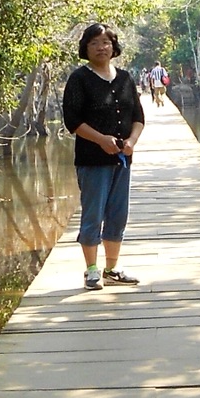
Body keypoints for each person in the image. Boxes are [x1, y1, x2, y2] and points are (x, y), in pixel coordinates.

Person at [61, 21, 145, 289]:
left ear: (114, 46)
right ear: (86, 48)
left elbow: (138, 117)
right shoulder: (79, 79)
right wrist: (101, 140)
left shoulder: (125, 78)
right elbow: (72, 121)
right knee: (93, 214)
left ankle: (112, 268)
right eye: (95, 43)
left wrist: (131, 141)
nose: (101, 47)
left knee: (118, 214)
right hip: (92, 159)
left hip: (121, 160)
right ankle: (92, 271)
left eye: (106, 42)